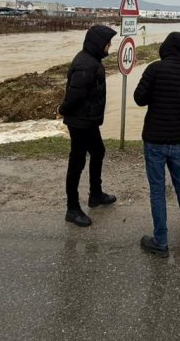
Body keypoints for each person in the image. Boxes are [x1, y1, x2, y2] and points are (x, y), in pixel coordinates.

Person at [133, 31, 180, 257]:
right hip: (178, 139)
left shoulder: (154, 69)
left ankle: (160, 241)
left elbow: (139, 99)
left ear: (165, 46)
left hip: (154, 139)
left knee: (157, 190)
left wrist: (155, 92)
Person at [58, 24, 118, 227]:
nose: (109, 46)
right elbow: (74, 95)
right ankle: (72, 208)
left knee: (98, 152)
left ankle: (96, 194)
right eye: (108, 43)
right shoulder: (86, 64)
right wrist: (63, 109)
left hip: (88, 120)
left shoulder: (93, 60)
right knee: (77, 162)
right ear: (98, 43)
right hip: (79, 121)